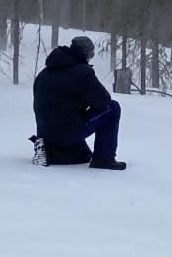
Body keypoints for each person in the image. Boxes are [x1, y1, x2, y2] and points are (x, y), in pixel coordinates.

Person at [31, 35, 125, 170]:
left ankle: (49, 152)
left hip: (46, 134)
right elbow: (103, 101)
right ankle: (104, 159)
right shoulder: (82, 73)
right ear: (87, 54)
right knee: (112, 108)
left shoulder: (45, 73)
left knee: (83, 156)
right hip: (67, 132)